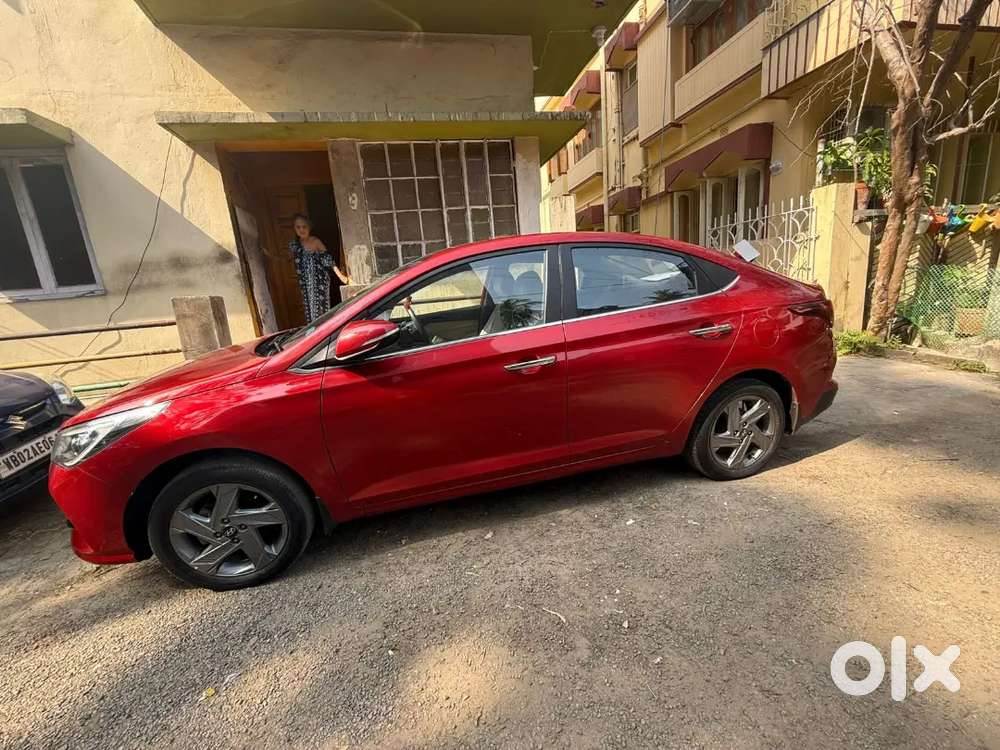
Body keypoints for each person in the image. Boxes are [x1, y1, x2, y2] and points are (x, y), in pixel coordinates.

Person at [289, 213, 350, 323]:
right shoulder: (294, 245)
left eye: (304, 227)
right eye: (298, 227)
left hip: (318, 283)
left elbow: (329, 260)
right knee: (309, 310)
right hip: (305, 284)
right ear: (294, 228)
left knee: (319, 310)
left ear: (309, 227)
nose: (301, 230)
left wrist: (341, 277)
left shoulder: (315, 242)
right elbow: (287, 259)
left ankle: (324, 331)